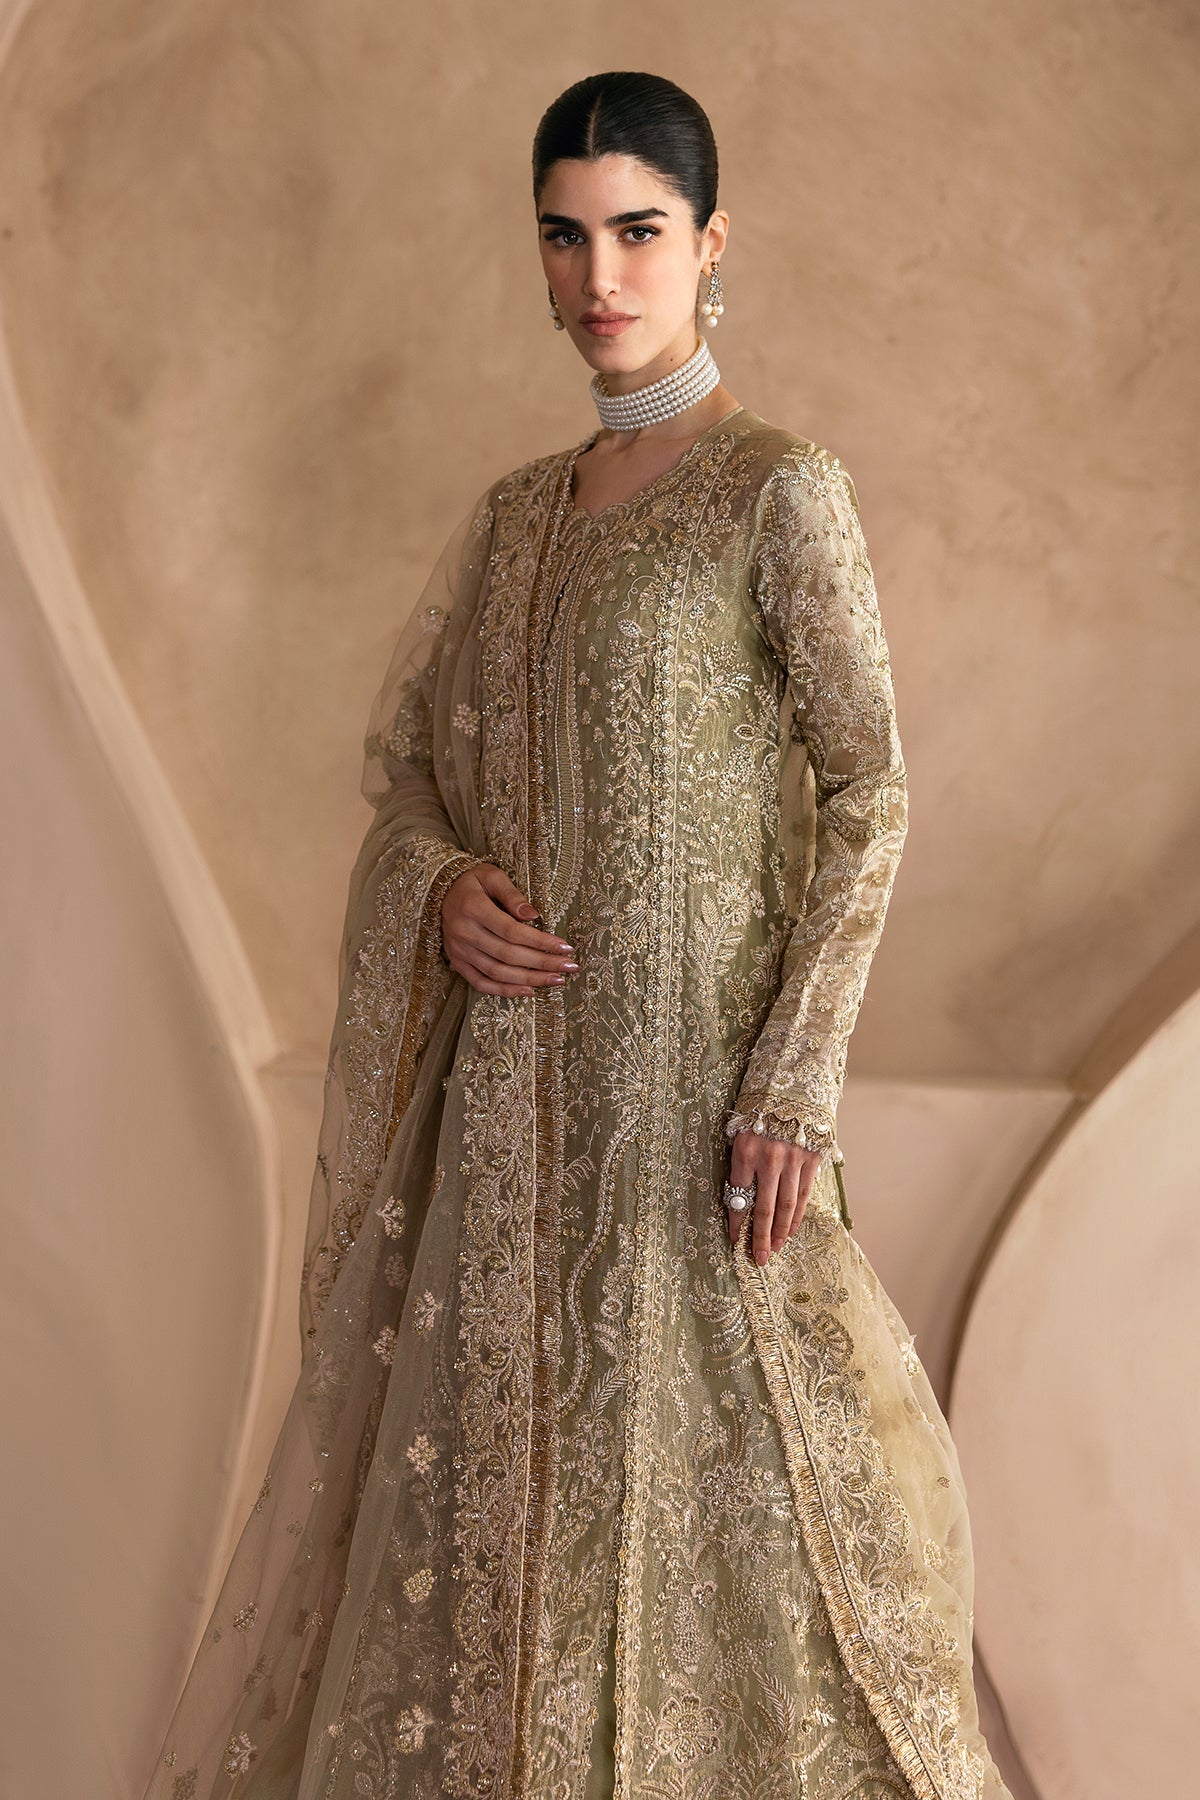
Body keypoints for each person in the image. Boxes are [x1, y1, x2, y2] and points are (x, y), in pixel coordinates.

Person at [143, 69, 1014, 1800]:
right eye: (564, 237)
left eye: (638, 231)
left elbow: (870, 789)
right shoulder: (515, 517)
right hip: (506, 1142)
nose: (599, 277)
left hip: (697, 1131)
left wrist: (793, 1082)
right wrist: (439, 886)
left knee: (740, 1547)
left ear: (712, 244)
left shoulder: (778, 491)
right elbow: (410, 778)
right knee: (498, 1535)